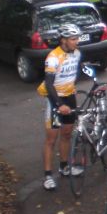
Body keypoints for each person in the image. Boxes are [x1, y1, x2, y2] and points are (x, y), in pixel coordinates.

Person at [37, 23, 83, 191]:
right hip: (54, 99)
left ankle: (64, 167)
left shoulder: (77, 53)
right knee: (51, 139)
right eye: (73, 39)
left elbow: (76, 72)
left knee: (67, 133)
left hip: (69, 97)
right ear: (63, 40)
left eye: (77, 38)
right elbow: (49, 84)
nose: (76, 42)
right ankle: (47, 175)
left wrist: (71, 87)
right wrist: (59, 104)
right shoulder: (53, 57)